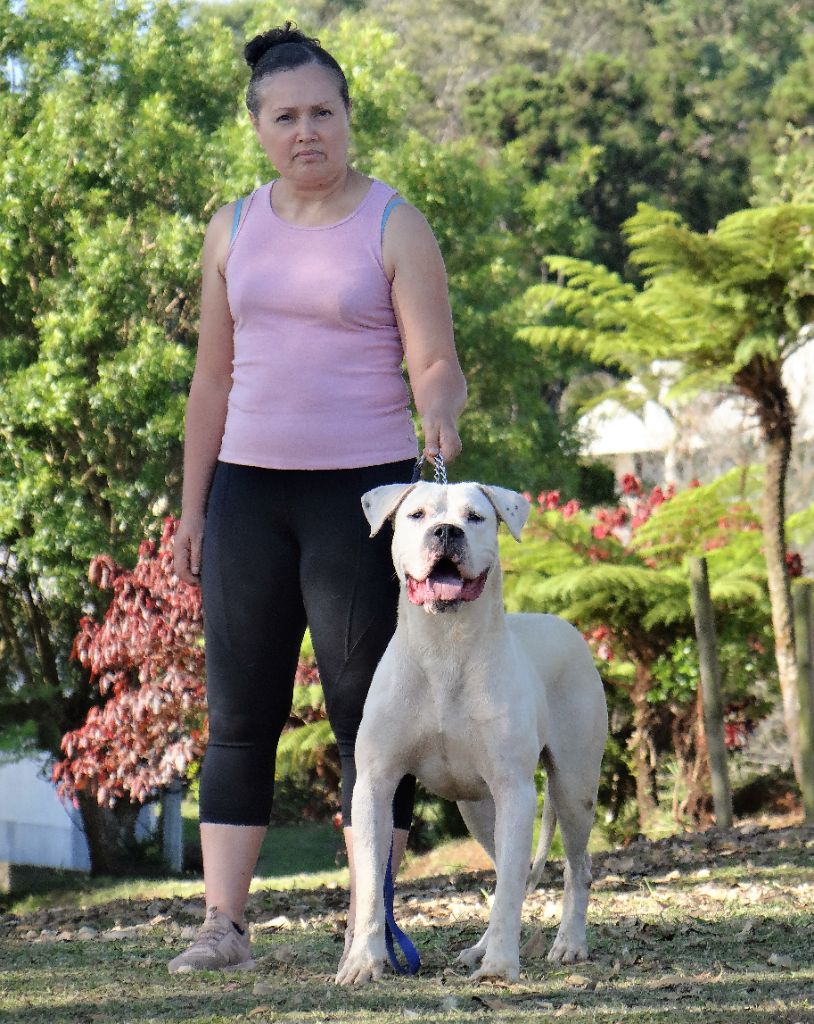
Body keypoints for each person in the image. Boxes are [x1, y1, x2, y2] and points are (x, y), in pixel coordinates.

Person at [168, 23, 466, 973]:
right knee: (238, 715)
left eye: (323, 113)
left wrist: (440, 416)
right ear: (259, 127)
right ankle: (223, 926)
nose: (307, 132)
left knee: (366, 717)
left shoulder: (393, 222)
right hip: (248, 496)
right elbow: (211, 381)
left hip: (361, 499)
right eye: (287, 117)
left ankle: (371, 921)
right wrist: (193, 508)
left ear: (347, 118)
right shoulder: (232, 228)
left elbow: (435, 359)